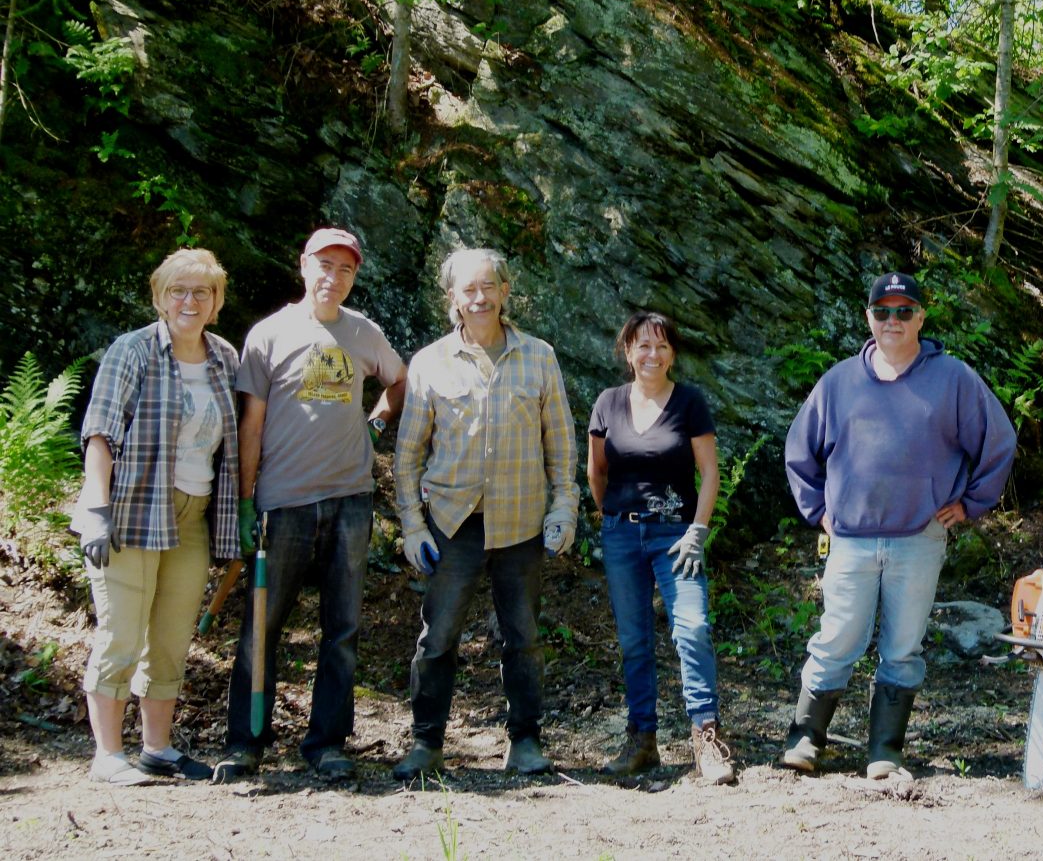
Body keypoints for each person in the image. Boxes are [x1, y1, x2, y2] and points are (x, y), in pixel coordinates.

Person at [781, 272, 1016, 780]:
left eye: (903, 311)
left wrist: (972, 503)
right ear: (868, 318)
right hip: (850, 538)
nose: (893, 320)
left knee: (903, 644)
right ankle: (805, 738)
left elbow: (997, 442)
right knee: (838, 636)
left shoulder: (952, 378)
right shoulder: (839, 382)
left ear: (921, 318)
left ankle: (884, 749)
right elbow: (800, 451)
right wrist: (817, 508)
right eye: (882, 311)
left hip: (918, 538)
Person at [212, 228, 406, 783]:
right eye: (324, 265)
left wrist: (374, 424)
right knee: (262, 626)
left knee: (341, 629)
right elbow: (250, 425)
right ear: (303, 266)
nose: (333, 277)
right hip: (285, 503)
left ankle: (327, 744)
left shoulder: (364, 332)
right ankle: (246, 743)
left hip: (350, 500)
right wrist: (247, 502)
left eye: (345, 270)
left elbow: (400, 380)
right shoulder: (269, 335)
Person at [388, 248, 578, 781]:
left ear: (505, 291)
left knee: (523, 635)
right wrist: (412, 524)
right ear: (451, 297)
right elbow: (407, 456)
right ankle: (426, 744)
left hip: (521, 524)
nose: (479, 298)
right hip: (452, 524)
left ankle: (525, 741)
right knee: (438, 636)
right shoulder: (429, 362)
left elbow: (561, 446)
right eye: (467, 290)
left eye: (488, 287)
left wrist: (564, 508)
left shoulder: (539, 357)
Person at [71, 248, 242, 786]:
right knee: (121, 631)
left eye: (201, 292)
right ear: (160, 297)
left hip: (193, 516)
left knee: (170, 638)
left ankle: (157, 749)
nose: (189, 301)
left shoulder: (224, 357)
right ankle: (107, 755)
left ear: (216, 302)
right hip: (130, 509)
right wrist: (96, 511)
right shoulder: (134, 350)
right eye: (178, 291)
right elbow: (99, 433)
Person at [587, 311, 734, 784]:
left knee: (692, 628)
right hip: (622, 536)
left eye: (662, 345)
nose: (653, 354)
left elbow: (709, 472)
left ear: (673, 353)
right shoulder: (607, 403)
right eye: (642, 346)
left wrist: (698, 530)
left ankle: (706, 739)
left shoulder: (690, 403)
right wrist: (614, 518)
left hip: (677, 537)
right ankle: (642, 741)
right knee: (634, 641)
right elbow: (597, 473)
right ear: (627, 352)